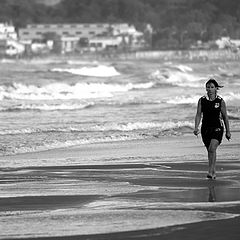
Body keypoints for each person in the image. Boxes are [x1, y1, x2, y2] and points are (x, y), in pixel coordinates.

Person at [194, 79, 231, 179]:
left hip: (218, 128)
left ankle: (211, 171)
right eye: (208, 87)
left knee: (212, 148)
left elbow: (225, 117)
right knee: (210, 151)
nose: (210, 89)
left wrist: (228, 131)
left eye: (212, 87)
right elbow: (198, 115)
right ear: (206, 88)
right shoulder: (202, 100)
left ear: (216, 88)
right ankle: (213, 171)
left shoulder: (220, 101)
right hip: (205, 129)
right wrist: (196, 127)